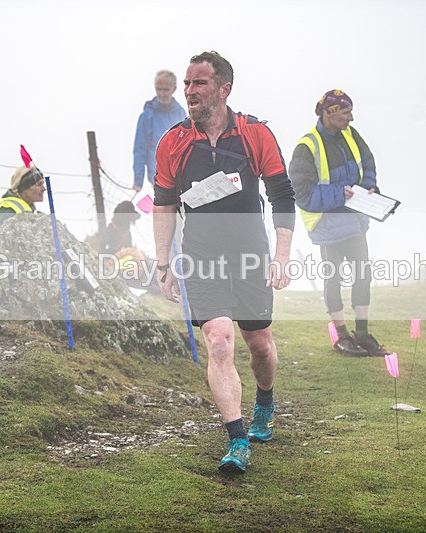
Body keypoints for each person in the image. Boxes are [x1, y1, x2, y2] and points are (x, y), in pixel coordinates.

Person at [153, 51, 295, 474]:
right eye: (187, 84)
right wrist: (164, 263)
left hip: (250, 253)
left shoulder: (255, 134)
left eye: (199, 84)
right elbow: (162, 206)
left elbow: (282, 196)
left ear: (224, 89)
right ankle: (237, 440)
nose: (190, 92)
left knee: (260, 344)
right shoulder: (173, 143)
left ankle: (264, 402)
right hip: (200, 256)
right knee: (218, 340)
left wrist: (281, 256)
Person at [289, 89, 390, 357]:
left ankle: (363, 335)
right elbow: (300, 193)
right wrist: (339, 194)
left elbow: (367, 162)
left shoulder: (350, 134)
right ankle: (341, 336)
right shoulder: (306, 146)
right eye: (346, 113)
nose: (351, 118)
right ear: (330, 113)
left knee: (362, 275)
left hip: (354, 221)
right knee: (333, 279)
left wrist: (369, 185)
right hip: (327, 225)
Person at [132, 70, 187, 192]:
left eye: (166, 89)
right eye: (158, 89)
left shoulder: (181, 114)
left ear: (174, 89)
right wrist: (138, 181)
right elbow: (140, 149)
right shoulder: (147, 116)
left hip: (181, 175)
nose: (162, 93)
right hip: (158, 176)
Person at [0, 164, 46, 229]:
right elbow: (3, 237)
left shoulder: (28, 209)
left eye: (43, 184)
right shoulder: (8, 208)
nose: (44, 189)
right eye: (39, 184)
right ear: (25, 187)